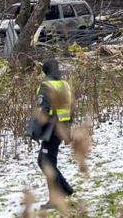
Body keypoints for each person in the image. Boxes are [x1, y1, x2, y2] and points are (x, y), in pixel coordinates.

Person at [35, 58, 74, 208]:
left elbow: (43, 110)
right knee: (44, 160)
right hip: (61, 129)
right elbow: (71, 109)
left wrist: (36, 130)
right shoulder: (65, 85)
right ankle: (65, 189)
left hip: (50, 130)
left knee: (47, 163)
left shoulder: (45, 86)